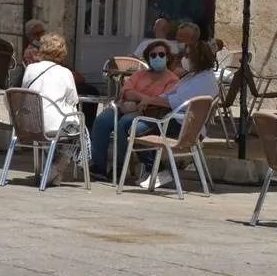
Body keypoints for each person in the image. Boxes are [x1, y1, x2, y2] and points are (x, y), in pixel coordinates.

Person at [128, 40, 220, 189]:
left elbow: (173, 102)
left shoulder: (203, 81)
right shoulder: (192, 76)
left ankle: (158, 171)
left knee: (136, 130)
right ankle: (154, 171)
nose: (184, 59)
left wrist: (150, 100)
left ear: (199, 58)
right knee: (135, 125)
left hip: (183, 125)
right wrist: (149, 100)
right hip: (178, 120)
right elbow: (167, 95)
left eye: (188, 56)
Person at [89, 39, 180, 182]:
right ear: (148, 58)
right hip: (126, 105)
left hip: (148, 111)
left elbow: (162, 101)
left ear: (167, 57)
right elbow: (127, 91)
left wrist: (142, 101)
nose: (157, 58)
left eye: (161, 55)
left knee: (123, 124)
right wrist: (142, 98)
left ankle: (119, 167)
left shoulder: (172, 80)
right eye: (153, 55)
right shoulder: (139, 74)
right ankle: (98, 166)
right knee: (102, 121)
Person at [21, 33, 80, 186]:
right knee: (78, 131)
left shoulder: (30, 69)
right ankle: (56, 168)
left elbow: (23, 91)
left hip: (28, 124)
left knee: (60, 127)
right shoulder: (65, 73)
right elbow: (73, 100)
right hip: (50, 127)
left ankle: (54, 173)